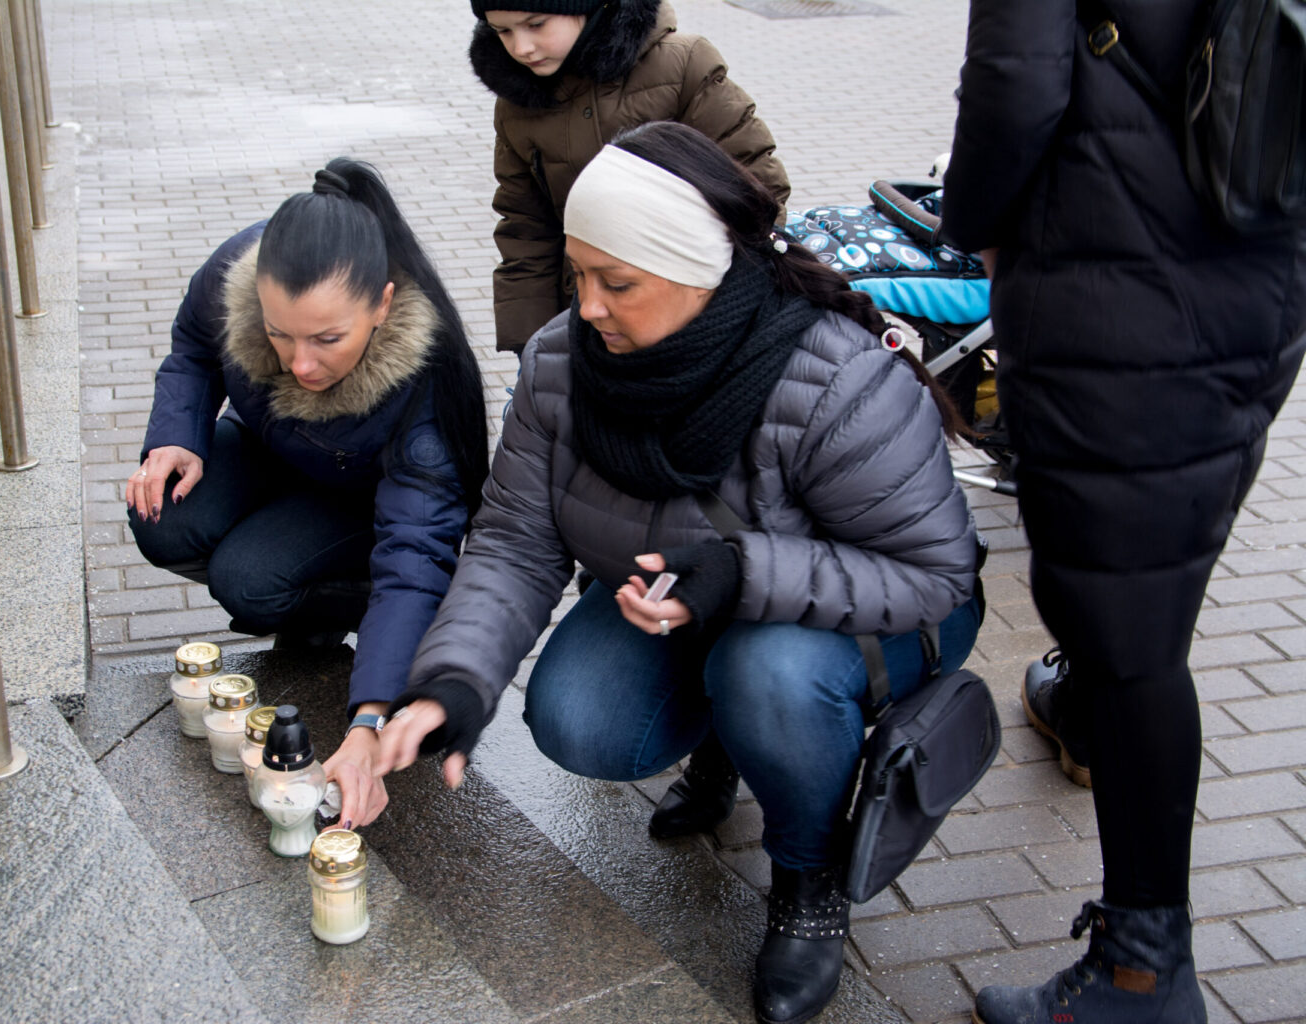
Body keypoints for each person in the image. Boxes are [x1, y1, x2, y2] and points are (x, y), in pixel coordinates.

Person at [377, 121, 984, 1024]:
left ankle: (808, 874)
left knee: (763, 670)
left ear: (698, 270)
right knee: (579, 719)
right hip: (685, 602)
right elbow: (512, 541)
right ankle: (726, 741)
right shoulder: (560, 365)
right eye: (578, 274)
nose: (585, 307)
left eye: (614, 282)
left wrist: (740, 572)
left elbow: (931, 574)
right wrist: (453, 684)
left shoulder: (833, 378)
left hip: (873, 611)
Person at [941, 2, 1306, 1022]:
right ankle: (1096, 706)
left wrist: (967, 226)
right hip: (1255, 261)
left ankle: (1144, 969)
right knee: (1145, 565)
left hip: (1116, 277)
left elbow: (1014, 87)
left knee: (1131, 621)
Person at [125, 158, 489, 832]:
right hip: (272, 452)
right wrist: (177, 436)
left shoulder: (425, 397)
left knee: (250, 580)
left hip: (363, 506)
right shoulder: (241, 267)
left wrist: (369, 719)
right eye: (278, 334)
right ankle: (284, 555)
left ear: (382, 305)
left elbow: (412, 564)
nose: (299, 363)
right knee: (164, 514)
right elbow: (192, 349)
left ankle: (330, 602)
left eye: (328, 340)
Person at [469, 0, 790, 354]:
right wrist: (532, 344)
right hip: (590, 323)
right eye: (503, 31)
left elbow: (755, 183)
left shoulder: (681, 65)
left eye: (536, 24)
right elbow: (525, 227)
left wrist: (715, 304)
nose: (521, 47)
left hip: (695, 317)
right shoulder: (516, 105)